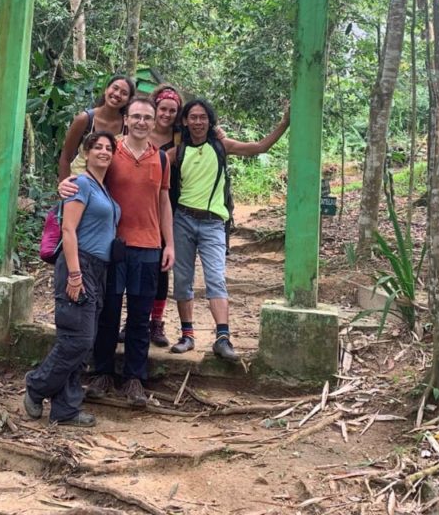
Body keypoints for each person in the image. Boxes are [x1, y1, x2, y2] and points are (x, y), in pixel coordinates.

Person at [58, 96, 175, 407]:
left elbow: (164, 202)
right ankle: (102, 372)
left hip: (149, 246)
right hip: (113, 246)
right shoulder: (111, 152)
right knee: (107, 312)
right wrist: (64, 186)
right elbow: (84, 179)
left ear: (154, 122)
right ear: (126, 120)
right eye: (135, 116)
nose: (141, 122)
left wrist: (170, 243)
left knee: (139, 315)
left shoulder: (161, 159)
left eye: (147, 118)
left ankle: (135, 378)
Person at [168, 98, 289, 361]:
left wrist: (284, 123)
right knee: (182, 280)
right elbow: (149, 168)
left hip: (213, 223)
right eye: (193, 117)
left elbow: (259, 147)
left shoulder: (221, 145)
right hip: (183, 221)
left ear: (210, 121)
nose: (198, 122)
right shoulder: (177, 152)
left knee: (216, 278)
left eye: (203, 117)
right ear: (185, 121)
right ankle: (187, 336)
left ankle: (223, 338)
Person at [25, 132, 121, 427]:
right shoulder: (80, 184)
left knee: (81, 340)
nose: (104, 152)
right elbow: (69, 230)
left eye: (109, 148)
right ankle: (37, 385)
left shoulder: (102, 189)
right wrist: (76, 274)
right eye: (98, 148)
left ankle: (65, 408)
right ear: (86, 153)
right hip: (79, 265)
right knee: (77, 339)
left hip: (99, 268)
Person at [146, 85, 184, 347]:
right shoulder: (139, 130)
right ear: (155, 108)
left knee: (161, 265)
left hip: (167, 204)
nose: (167, 114)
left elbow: (208, 137)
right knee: (132, 263)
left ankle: (156, 322)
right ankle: (133, 320)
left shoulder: (182, 137)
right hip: (136, 206)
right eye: (163, 109)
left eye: (173, 110)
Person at [58, 74, 136, 180]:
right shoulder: (85, 119)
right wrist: (64, 187)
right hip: (79, 182)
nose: (117, 94)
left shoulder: (126, 125)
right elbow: (66, 157)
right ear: (106, 90)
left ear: (128, 100)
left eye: (124, 93)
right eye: (115, 88)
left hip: (108, 187)